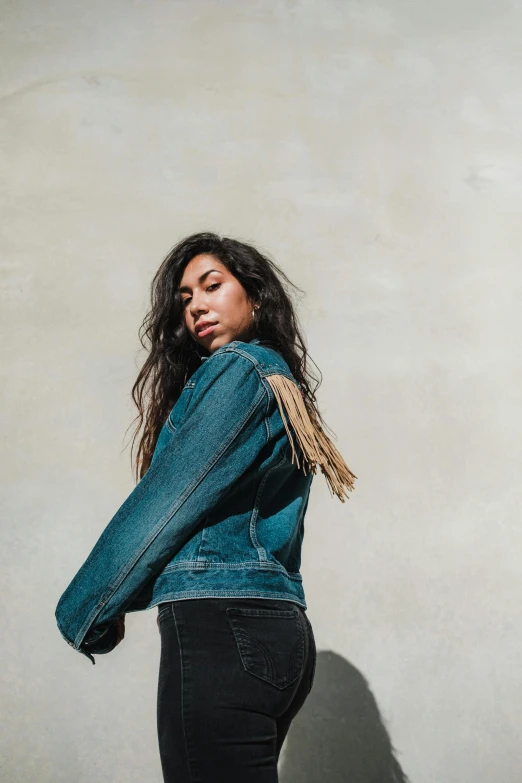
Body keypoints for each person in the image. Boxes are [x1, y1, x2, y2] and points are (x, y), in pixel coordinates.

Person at [55, 232, 357, 782]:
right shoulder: (276, 379)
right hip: (278, 632)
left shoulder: (240, 368)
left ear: (256, 296)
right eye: (185, 297)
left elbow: (170, 498)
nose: (196, 305)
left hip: (223, 630)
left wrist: (89, 608)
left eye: (212, 285)